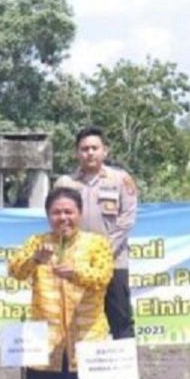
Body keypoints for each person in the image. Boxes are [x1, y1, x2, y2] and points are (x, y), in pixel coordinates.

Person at [8, 186, 134, 379]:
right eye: (56, 212)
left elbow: (102, 277)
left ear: (79, 214)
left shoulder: (96, 244)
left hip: (88, 344)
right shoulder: (37, 243)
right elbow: (14, 272)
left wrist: (75, 273)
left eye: (68, 212)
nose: (62, 218)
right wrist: (35, 259)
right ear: (48, 215)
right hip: (46, 347)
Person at [56, 126, 138, 340]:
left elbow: (127, 219)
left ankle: (125, 374)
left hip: (113, 262)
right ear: (77, 153)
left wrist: (100, 254)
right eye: (84, 149)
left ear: (105, 151)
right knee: (79, 322)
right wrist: (81, 257)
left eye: (94, 148)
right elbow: (58, 221)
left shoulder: (120, 180)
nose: (89, 153)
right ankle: (77, 373)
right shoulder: (66, 183)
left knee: (120, 321)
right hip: (76, 266)